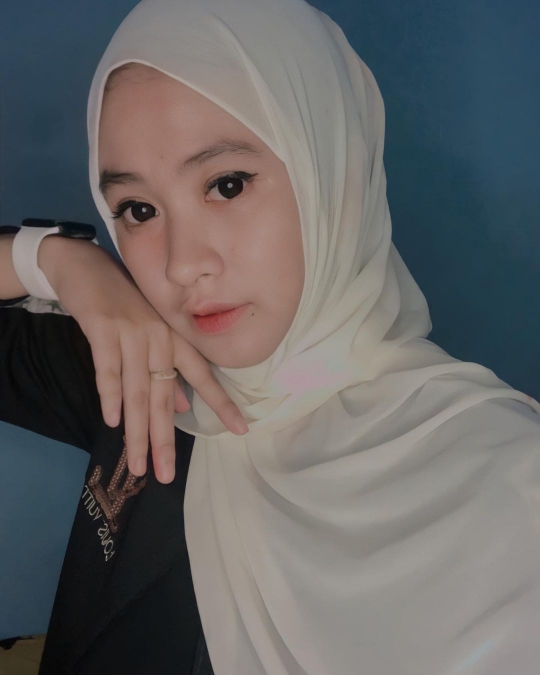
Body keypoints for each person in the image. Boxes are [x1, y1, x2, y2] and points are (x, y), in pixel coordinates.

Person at [2, 0, 540, 673]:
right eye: (138, 210)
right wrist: (59, 261)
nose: (181, 264)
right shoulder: (138, 372)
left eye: (227, 185)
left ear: (333, 170)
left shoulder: (509, 490)